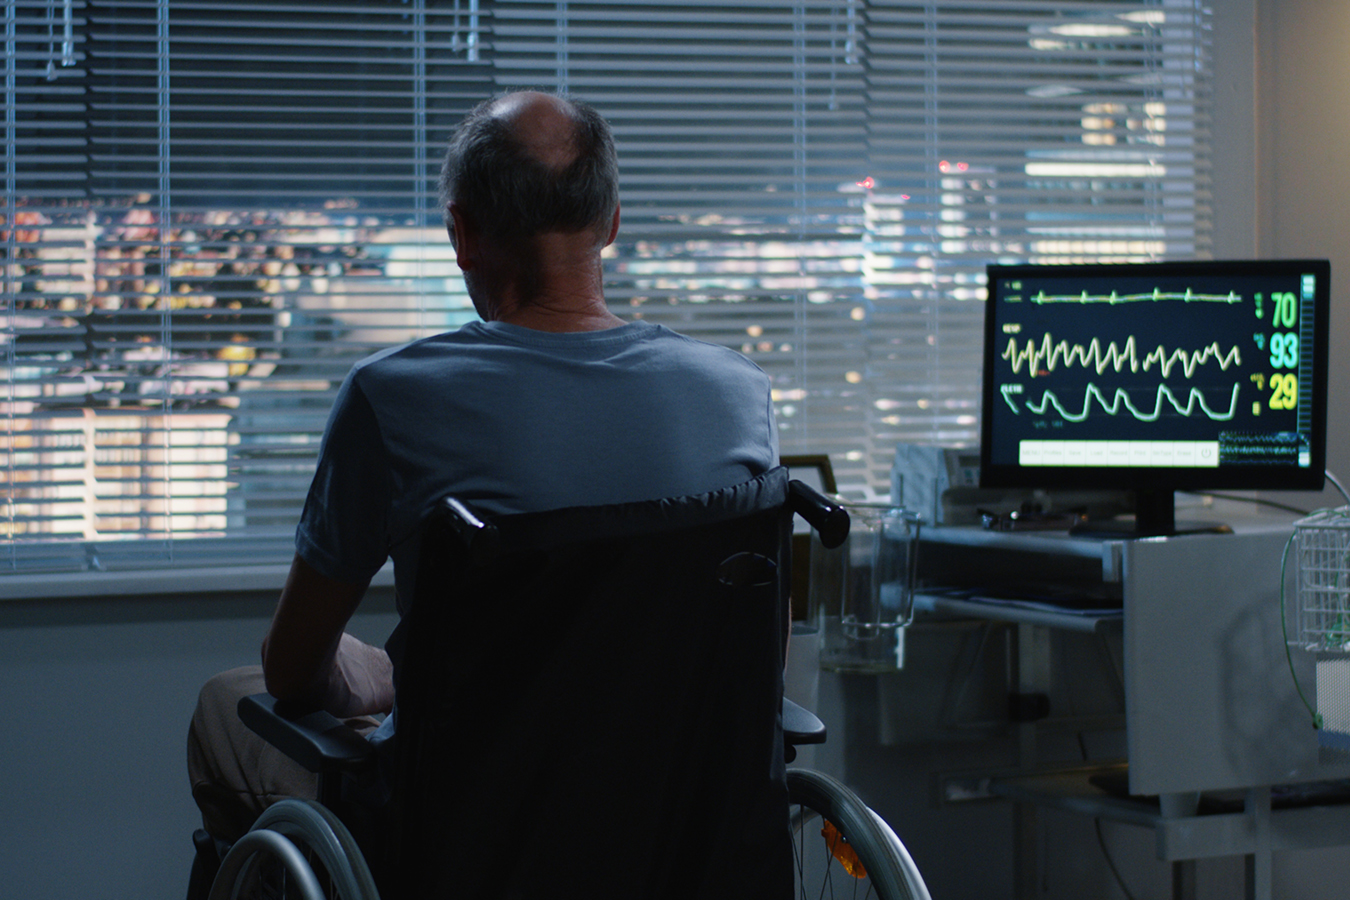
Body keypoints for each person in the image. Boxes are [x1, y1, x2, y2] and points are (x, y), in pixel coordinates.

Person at [186, 91, 779, 848]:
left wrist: (376, 678)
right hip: (678, 824)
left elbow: (294, 669)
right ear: (612, 223)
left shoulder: (394, 397)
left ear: (461, 233)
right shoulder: (737, 393)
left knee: (223, 704)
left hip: (473, 831)